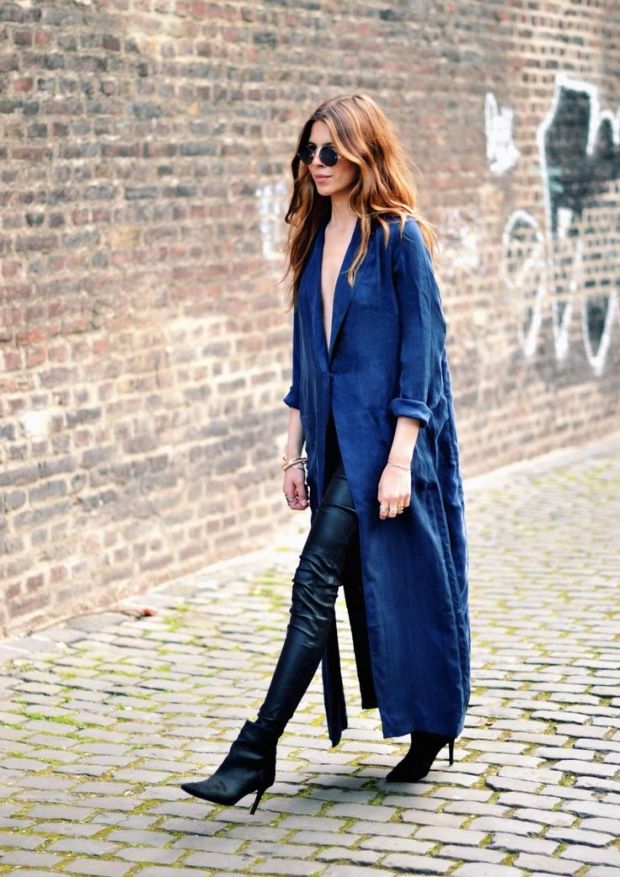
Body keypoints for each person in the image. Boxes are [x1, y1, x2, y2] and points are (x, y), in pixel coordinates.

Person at [181, 94, 470, 814]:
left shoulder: (398, 238)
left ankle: (256, 752)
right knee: (354, 586)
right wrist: (293, 454)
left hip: (386, 447)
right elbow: (305, 359)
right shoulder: (313, 239)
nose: (316, 163)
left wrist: (400, 460)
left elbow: (424, 354)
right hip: (335, 448)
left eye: (331, 151)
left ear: (363, 154)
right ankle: (424, 726)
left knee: (324, 580)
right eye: (309, 151)